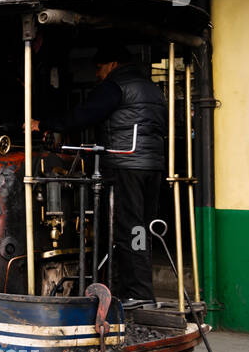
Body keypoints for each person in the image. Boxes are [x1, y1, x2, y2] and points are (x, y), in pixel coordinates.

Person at [31, 40, 166, 306]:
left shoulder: (115, 85)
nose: (97, 73)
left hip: (125, 164)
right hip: (152, 165)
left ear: (113, 64)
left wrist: (43, 124)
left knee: (128, 229)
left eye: (100, 67)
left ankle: (137, 295)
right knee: (141, 229)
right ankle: (136, 291)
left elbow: (85, 115)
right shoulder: (152, 87)